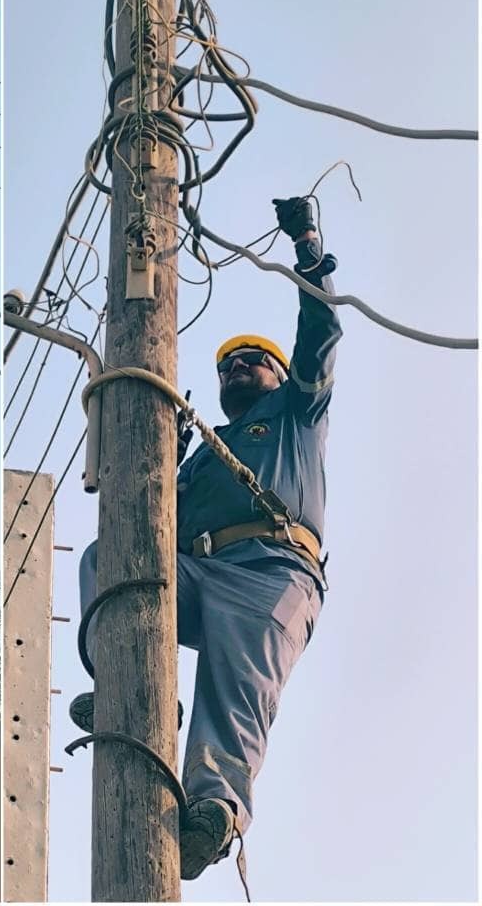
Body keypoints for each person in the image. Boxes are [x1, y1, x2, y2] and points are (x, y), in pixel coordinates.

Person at [71, 196, 342, 880]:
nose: (236, 368)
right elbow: (149, 518)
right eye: (226, 366)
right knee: (111, 558)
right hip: (199, 572)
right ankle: (123, 685)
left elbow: (320, 332)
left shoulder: (295, 415)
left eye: (253, 360)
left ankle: (212, 814)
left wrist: (308, 247)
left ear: (280, 378)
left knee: (237, 688)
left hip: (273, 571)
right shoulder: (199, 454)